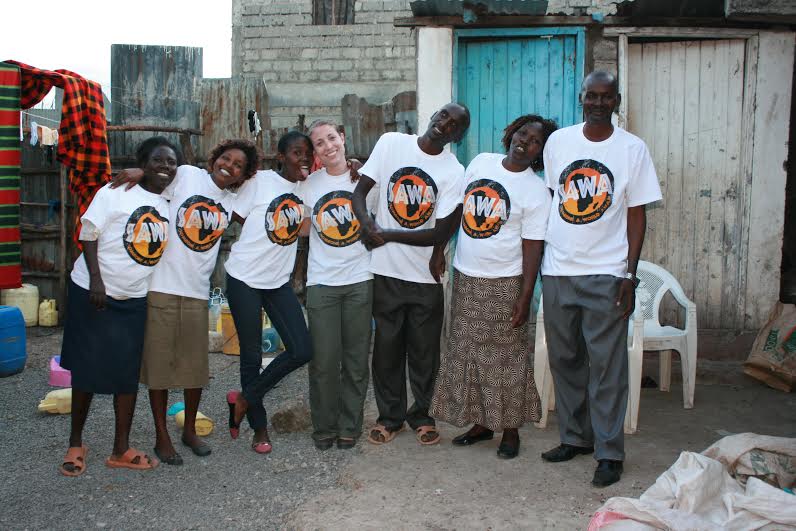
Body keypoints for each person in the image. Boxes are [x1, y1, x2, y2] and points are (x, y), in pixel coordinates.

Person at [540, 71, 662, 487]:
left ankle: (609, 452)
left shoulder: (632, 149)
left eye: (605, 97)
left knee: (607, 366)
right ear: (581, 99)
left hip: (607, 274)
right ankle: (576, 438)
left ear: (617, 101)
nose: (597, 102)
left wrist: (629, 272)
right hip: (558, 272)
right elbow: (554, 199)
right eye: (591, 96)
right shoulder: (559, 143)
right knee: (566, 360)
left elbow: (637, 212)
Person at [114, 139, 260, 465]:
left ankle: (189, 430)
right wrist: (139, 171)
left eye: (238, 165)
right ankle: (161, 435)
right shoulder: (188, 176)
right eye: (226, 158)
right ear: (214, 158)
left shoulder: (232, 202)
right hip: (161, 285)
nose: (229, 166)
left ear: (243, 174)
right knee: (160, 367)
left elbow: (266, 198)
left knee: (195, 371)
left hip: (197, 291)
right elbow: (157, 176)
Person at [430, 114, 557, 459]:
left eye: (534, 141)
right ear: (510, 132)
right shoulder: (482, 162)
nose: (524, 141)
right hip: (466, 276)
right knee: (468, 352)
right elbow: (458, 210)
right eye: (522, 133)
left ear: (539, 153)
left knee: (507, 358)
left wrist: (525, 296)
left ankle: (511, 430)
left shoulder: (535, 192)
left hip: (505, 283)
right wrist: (439, 249)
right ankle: (482, 424)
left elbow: (533, 247)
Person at [351, 103, 470, 446]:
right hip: (385, 271)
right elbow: (360, 193)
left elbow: (439, 232)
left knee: (424, 352)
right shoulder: (392, 144)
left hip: (424, 277)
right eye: (444, 115)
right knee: (387, 348)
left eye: (455, 125)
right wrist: (367, 223)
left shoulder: (453, 171)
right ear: (433, 116)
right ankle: (390, 418)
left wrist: (386, 235)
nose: (445, 124)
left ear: (458, 137)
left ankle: (422, 415)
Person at [58, 137, 175, 476]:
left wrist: (148, 170)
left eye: (170, 162)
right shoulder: (115, 192)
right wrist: (96, 279)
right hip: (93, 292)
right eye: (156, 160)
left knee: (126, 375)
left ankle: (120, 448)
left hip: (134, 298)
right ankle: (76, 442)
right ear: (143, 162)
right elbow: (89, 233)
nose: (164, 167)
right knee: (87, 369)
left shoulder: (170, 199)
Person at [226, 131, 314, 454]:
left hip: (277, 282)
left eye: (308, 153)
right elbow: (232, 213)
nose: (303, 158)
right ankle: (259, 427)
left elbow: (305, 228)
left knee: (302, 349)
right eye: (296, 153)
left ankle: (246, 397)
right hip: (244, 278)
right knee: (251, 354)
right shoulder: (260, 181)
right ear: (280, 157)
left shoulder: (309, 188)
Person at [301, 120, 373, 450]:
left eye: (332, 138)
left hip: (360, 279)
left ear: (343, 139)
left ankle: (350, 426)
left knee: (357, 359)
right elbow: (299, 230)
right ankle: (324, 427)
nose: (328, 146)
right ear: (314, 152)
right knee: (324, 361)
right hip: (322, 282)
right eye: (319, 143)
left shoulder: (367, 178)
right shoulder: (309, 186)